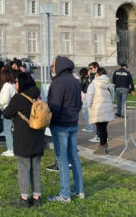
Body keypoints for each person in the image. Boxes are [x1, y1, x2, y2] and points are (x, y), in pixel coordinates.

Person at [3, 72, 44, 208]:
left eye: (17, 82)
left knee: (24, 168)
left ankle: (24, 199)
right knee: (36, 168)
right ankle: (37, 198)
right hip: (37, 136)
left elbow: (7, 114)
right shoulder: (38, 95)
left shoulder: (18, 98)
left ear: (21, 83)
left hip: (23, 138)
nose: (15, 84)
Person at [47, 56, 84, 203]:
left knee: (61, 159)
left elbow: (54, 105)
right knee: (74, 157)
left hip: (61, 124)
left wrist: (51, 121)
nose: (52, 67)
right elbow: (79, 103)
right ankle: (79, 190)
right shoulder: (75, 81)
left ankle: (65, 194)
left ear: (60, 66)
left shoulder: (58, 82)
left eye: (53, 65)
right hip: (73, 122)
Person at [87, 67, 115, 154]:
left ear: (97, 74)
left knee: (100, 128)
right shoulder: (109, 84)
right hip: (107, 108)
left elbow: (90, 95)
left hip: (97, 108)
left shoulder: (93, 84)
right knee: (104, 128)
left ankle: (102, 146)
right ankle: (104, 145)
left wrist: (89, 105)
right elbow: (112, 96)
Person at [0, 67, 16, 157]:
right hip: (13, 110)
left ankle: (11, 149)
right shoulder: (12, 85)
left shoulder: (6, 86)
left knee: (7, 130)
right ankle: (11, 148)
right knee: (11, 130)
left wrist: (0, 104)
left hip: (7, 110)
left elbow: (4, 100)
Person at [87, 61, 100, 142]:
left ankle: (99, 136)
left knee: (99, 120)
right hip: (96, 100)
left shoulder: (98, 76)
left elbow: (93, 86)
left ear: (96, 68)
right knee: (98, 120)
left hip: (97, 100)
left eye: (91, 68)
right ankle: (100, 135)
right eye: (89, 68)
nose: (90, 70)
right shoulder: (92, 76)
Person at [79, 68, 93, 133]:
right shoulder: (89, 77)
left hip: (87, 94)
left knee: (86, 112)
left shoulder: (85, 78)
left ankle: (89, 127)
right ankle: (89, 127)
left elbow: (81, 86)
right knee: (87, 112)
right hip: (88, 94)